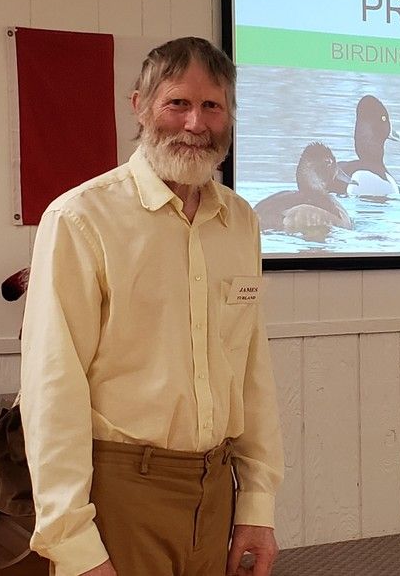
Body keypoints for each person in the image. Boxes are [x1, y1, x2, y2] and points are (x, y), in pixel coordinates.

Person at [19, 37, 283, 576]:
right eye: (177, 103)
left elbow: (251, 371)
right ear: (138, 105)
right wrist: (73, 543)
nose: (195, 123)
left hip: (215, 491)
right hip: (119, 494)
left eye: (212, 106)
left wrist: (257, 505)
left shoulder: (241, 222)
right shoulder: (80, 219)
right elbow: (53, 386)